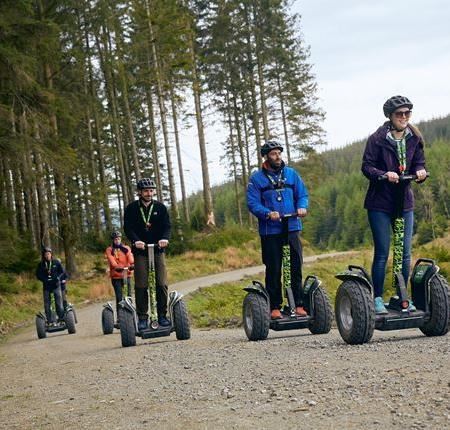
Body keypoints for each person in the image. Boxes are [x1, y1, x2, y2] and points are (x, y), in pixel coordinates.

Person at [362, 95, 427, 314]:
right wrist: (383, 174)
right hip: (380, 202)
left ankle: (401, 296)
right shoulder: (377, 138)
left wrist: (420, 172)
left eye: (408, 113)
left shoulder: (414, 137)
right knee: (383, 252)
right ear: (390, 116)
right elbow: (367, 167)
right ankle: (378, 299)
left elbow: (419, 161)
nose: (404, 117)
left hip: (404, 201)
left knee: (404, 252)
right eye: (400, 113)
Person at [247, 141, 309, 319]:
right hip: (271, 230)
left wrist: (302, 207)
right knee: (274, 268)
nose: (277, 156)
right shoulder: (257, 179)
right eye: (273, 154)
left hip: (292, 226)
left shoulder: (291, 174)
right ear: (266, 156)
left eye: (279, 153)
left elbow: (302, 194)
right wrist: (267, 213)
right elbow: (252, 203)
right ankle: (274, 306)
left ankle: (298, 304)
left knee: (296, 265)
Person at [124, 178, 171, 330]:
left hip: (157, 249)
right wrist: (135, 240)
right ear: (139, 192)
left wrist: (164, 238)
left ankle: (162, 316)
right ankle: (143, 317)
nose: (149, 193)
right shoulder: (131, 209)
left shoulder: (160, 208)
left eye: (151, 190)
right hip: (140, 252)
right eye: (145, 191)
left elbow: (167, 226)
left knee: (161, 283)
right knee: (141, 284)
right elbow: (128, 228)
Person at [105, 230, 134, 323]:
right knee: (119, 296)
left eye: (118, 238)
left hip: (127, 274)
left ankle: (131, 314)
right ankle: (120, 317)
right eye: (115, 239)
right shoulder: (110, 249)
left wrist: (132, 264)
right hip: (116, 276)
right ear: (113, 240)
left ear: (121, 239)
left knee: (129, 295)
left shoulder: (126, 248)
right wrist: (116, 266)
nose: (117, 240)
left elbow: (130, 256)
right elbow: (111, 260)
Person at [36, 247, 66, 324]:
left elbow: (62, 272)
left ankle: (61, 318)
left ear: (51, 254)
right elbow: (38, 275)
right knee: (47, 304)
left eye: (48, 254)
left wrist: (58, 278)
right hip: (46, 286)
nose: (47, 255)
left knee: (58, 303)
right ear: (44, 255)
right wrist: (43, 279)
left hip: (56, 285)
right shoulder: (41, 264)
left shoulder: (56, 262)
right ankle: (49, 321)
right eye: (46, 254)